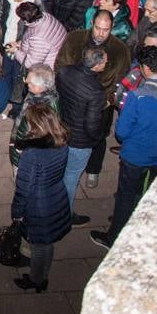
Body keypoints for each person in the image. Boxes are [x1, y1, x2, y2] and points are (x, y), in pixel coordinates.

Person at [91, 46, 157, 250]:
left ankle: (115, 236)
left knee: (126, 195)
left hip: (135, 156)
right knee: (150, 192)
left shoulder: (138, 96)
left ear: (145, 68)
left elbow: (122, 131)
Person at [9, 103, 72, 293]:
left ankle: (37, 279)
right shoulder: (62, 141)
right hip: (57, 196)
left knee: (38, 245)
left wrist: (17, 212)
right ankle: (43, 273)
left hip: (38, 204)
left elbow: (23, 188)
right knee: (48, 242)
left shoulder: (32, 156)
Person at [55, 46, 108, 224]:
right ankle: (65, 215)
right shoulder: (96, 91)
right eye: (104, 62)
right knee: (71, 177)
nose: (106, 64)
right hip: (79, 141)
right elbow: (92, 124)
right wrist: (97, 138)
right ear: (97, 65)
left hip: (61, 131)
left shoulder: (65, 71)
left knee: (60, 173)